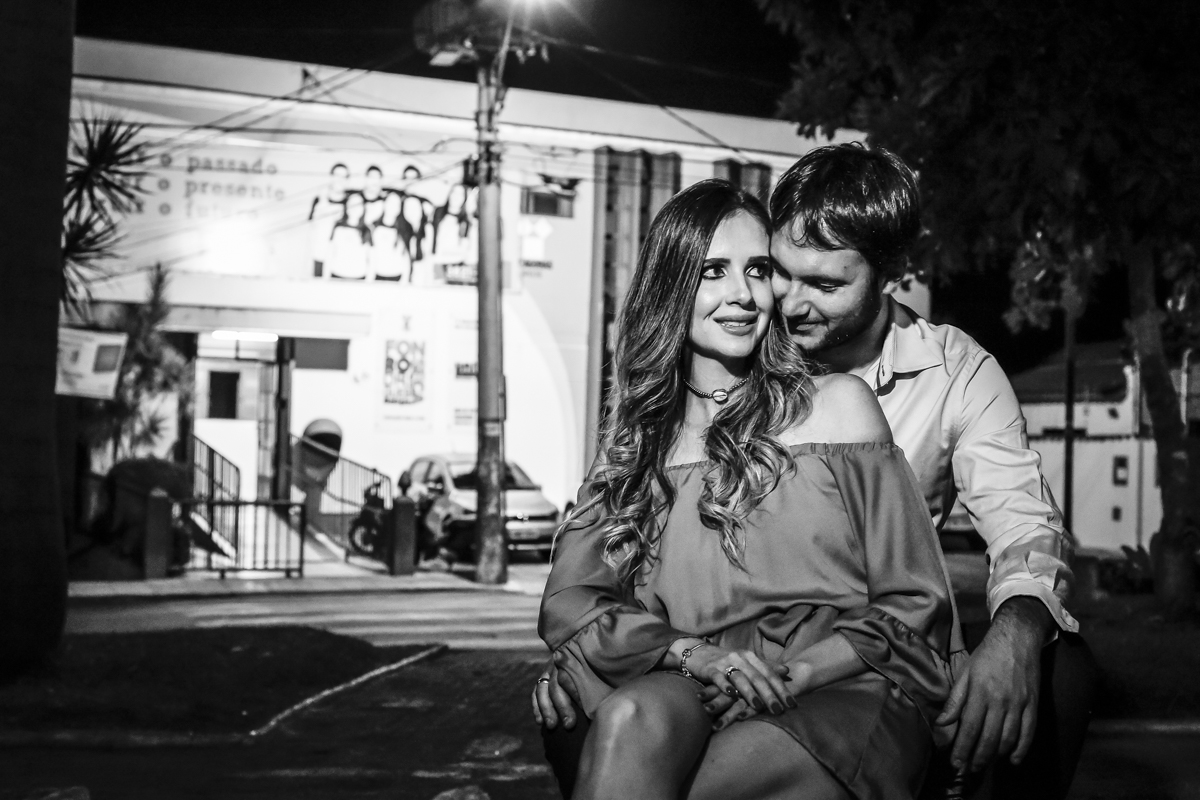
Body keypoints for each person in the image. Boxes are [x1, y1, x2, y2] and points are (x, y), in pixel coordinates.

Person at [535, 145, 1097, 800]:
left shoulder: (937, 380)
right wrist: (602, 650)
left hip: (852, 657)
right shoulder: (663, 424)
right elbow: (589, 589)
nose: (782, 301)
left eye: (821, 284)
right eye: (779, 272)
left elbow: (1000, 537)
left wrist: (1017, 630)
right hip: (702, 665)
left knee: (1063, 669)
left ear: (887, 276)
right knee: (619, 720)